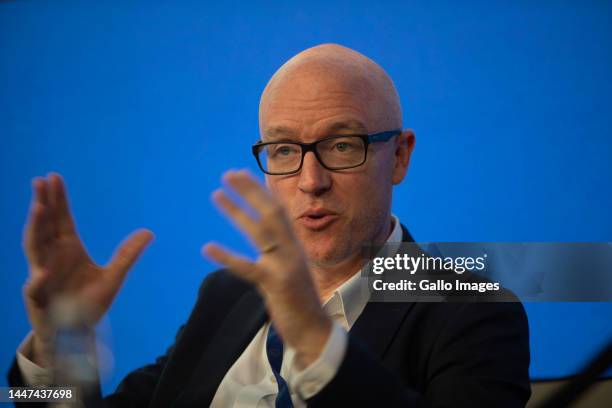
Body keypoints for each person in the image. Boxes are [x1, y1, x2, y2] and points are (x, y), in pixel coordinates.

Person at [8, 44, 531, 407]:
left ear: (399, 157)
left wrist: (312, 336)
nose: (310, 181)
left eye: (341, 145)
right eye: (283, 150)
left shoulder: (472, 312)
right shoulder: (227, 295)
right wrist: (64, 341)